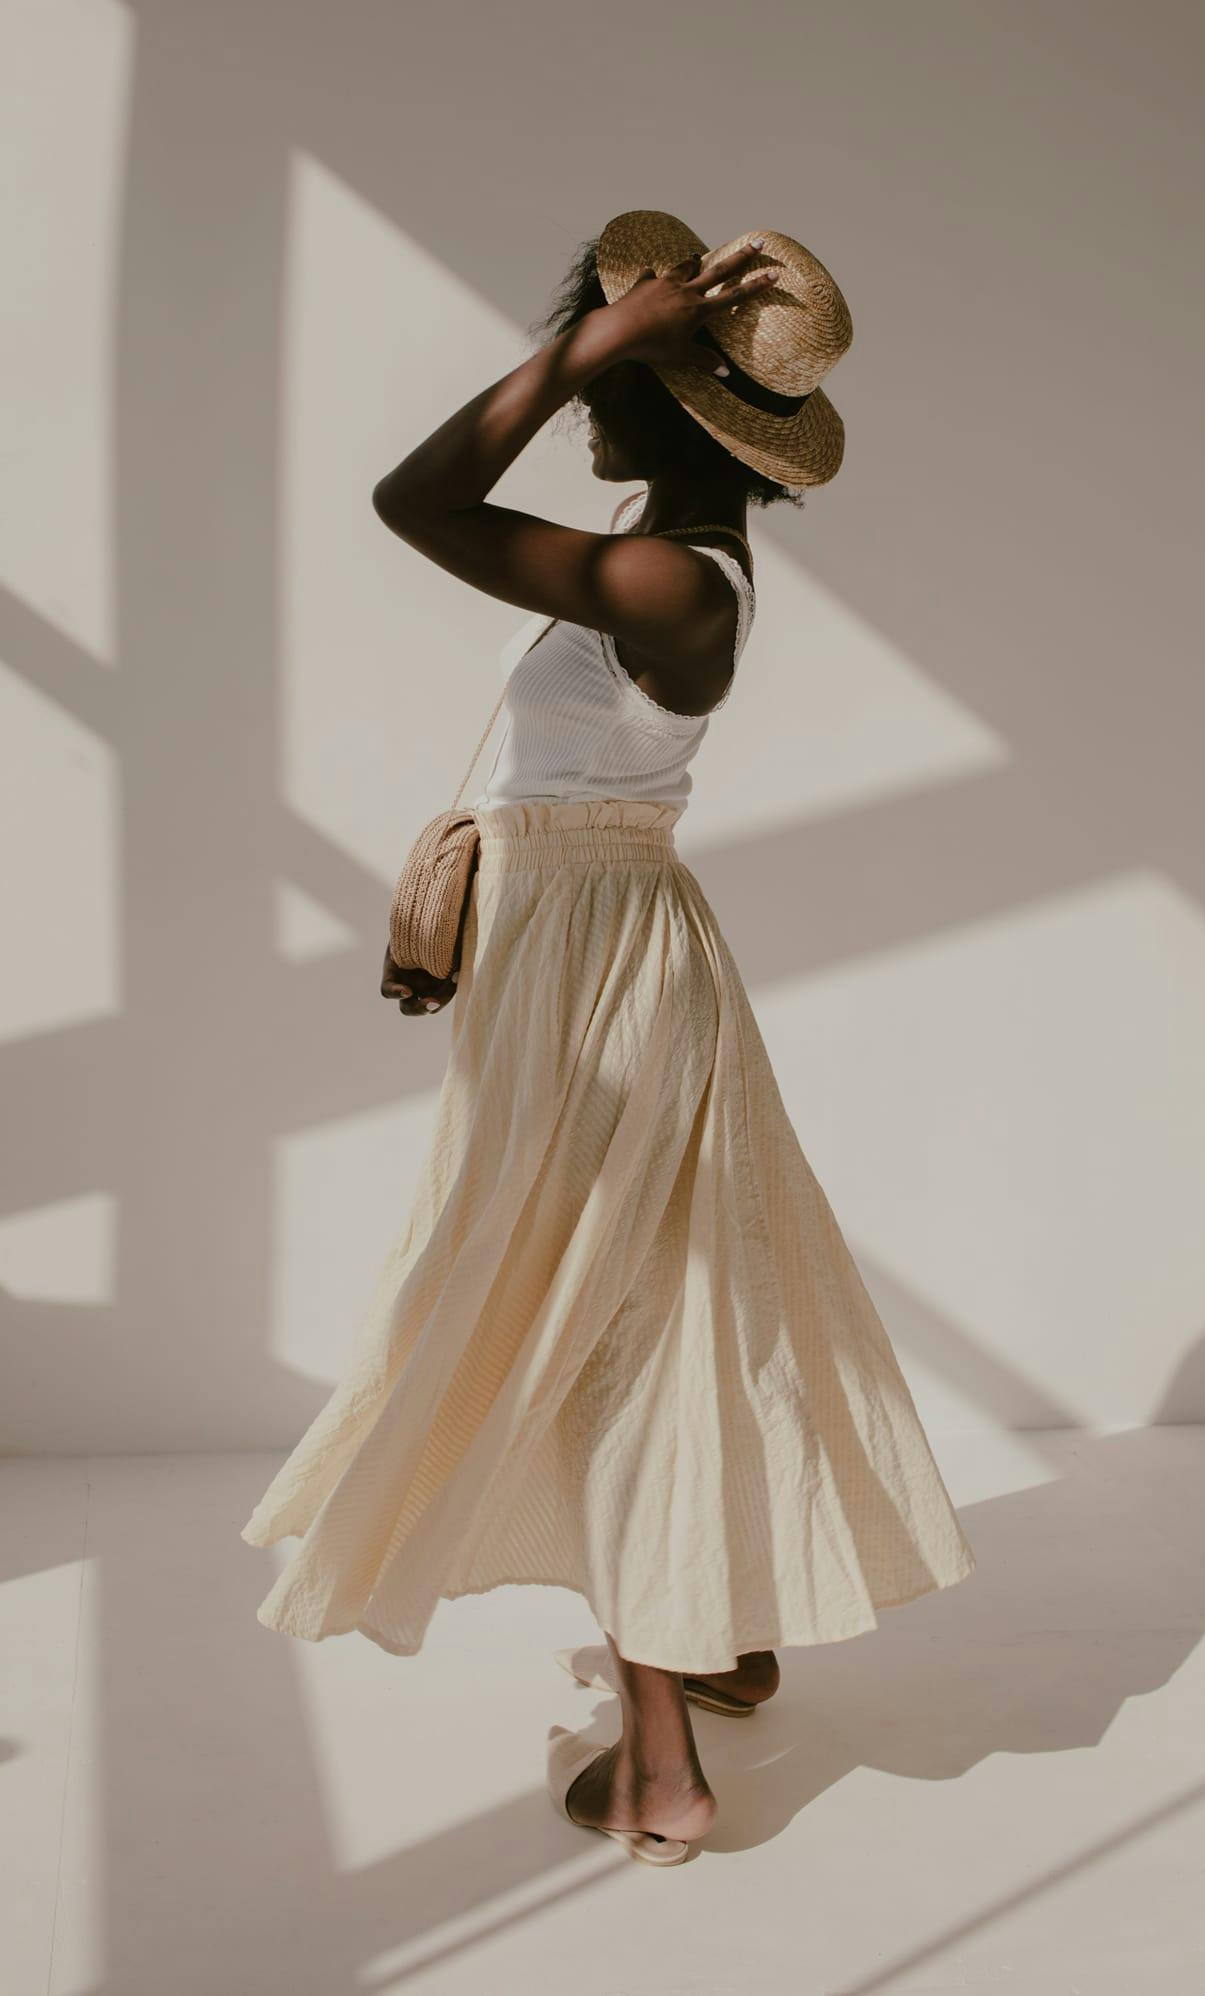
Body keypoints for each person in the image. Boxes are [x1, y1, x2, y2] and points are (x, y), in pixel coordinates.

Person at [241, 211, 977, 1865]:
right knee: (650, 1293)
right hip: (583, 952)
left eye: (613, 359)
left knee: (615, 1317)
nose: (584, 385)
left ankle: (657, 1765)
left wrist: (591, 339)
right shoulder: (662, 550)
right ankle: (715, 1634)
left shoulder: (663, 575)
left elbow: (414, 501)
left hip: (598, 975)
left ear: (673, 392)